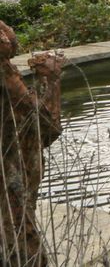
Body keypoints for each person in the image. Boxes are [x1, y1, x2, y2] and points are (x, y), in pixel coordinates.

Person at [0, 21, 64, 267]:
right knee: (23, 243)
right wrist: (52, 77)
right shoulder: (4, 74)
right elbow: (47, 124)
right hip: (7, 173)